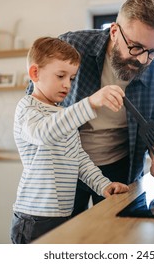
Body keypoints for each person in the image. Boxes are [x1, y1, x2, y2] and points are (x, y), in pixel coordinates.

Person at [26, 0, 154, 216]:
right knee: (59, 238)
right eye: (135, 47)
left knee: (118, 236)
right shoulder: (71, 47)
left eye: (153, 52)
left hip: (119, 168)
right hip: (62, 166)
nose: (143, 60)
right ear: (115, 31)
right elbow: (33, 103)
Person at [11, 37, 129, 244]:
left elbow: (78, 157)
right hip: (34, 217)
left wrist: (103, 185)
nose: (67, 85)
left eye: (72, 78)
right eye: (60, 76)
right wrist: (90, 103)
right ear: (35, 73)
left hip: (63, 215)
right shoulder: (27, 109)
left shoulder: (63, 114)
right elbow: (43, 133)